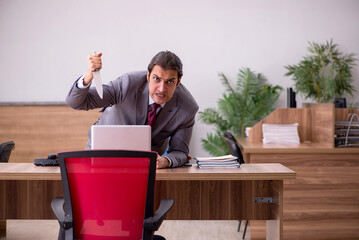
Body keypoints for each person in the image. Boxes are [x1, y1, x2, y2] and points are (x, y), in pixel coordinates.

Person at [66, 51, 199, 169]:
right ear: (148, 76)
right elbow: (76, 102)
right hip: (100, 158)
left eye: (169, 81)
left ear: (178, 81)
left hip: (147, 168)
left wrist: (165, 161)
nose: (161, 88)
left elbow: (180, 152)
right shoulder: (128, 84)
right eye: (156, 79)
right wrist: (89, 75)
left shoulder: (187, 108)